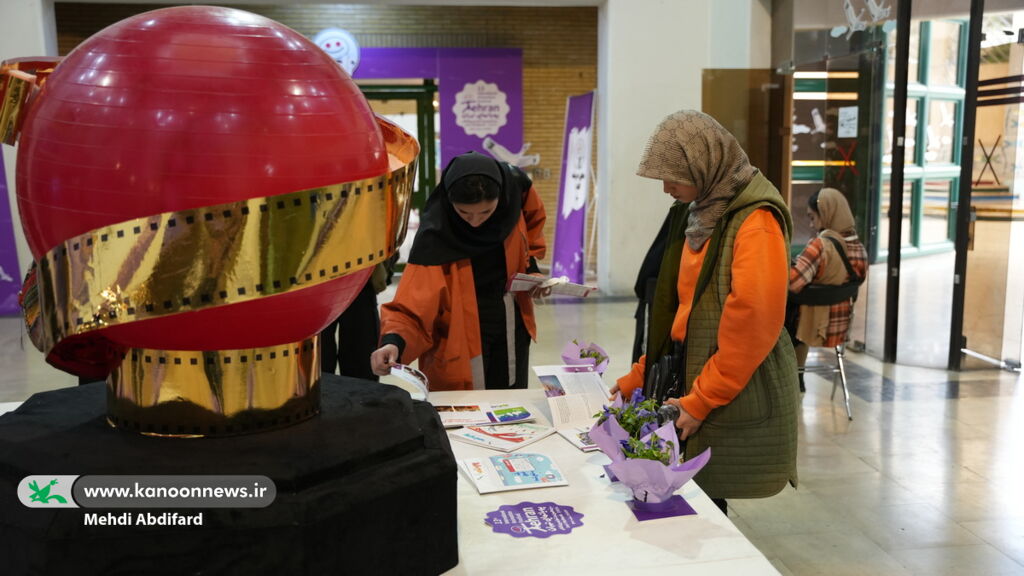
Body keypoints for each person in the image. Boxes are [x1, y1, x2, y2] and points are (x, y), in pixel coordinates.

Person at [613, 110, 799, 514]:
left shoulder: (755, 222)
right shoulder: (700, 213)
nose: (665, 188)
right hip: (693, 374)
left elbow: (751, 326)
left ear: (704, 164)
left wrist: (700, 401)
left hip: (726, 383)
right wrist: (644, 373)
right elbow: (682, 312)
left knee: (705, 501)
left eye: (673, 176)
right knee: (688, 496)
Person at [369, 151, 547, 391]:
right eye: (464, 213)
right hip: (458, 339)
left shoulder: (515, 197)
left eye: (486, 212)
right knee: (467, 411)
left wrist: (531, 269)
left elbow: (532, 230)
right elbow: (412, 308)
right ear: (449, 204)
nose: (475, 222)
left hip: (510, 328)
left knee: (511, 402)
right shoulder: (436, 239)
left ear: (501, 198)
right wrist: (394, 343)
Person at [787, 187, 867, 392]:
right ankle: (798, 375)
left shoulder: (821, 245)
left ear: (827, 215)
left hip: (810, 327)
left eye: (813, 218)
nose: (812, 225)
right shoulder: (859, 248)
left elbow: (793, 283)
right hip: (840, 328)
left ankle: (794, 374)